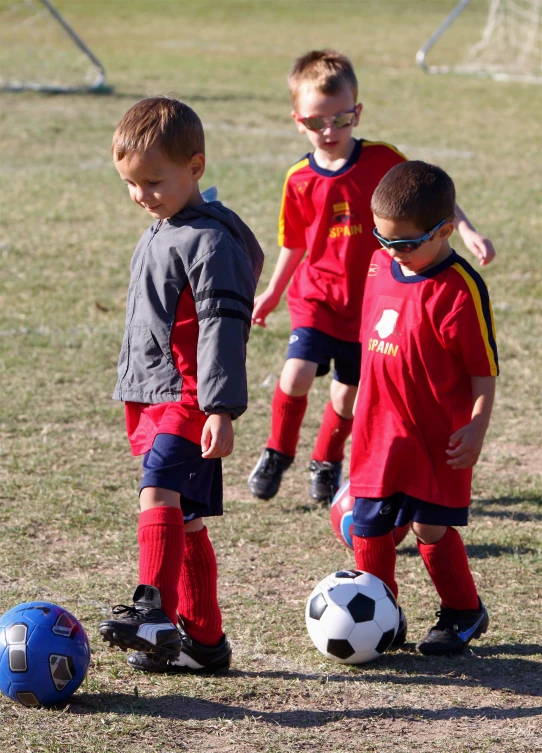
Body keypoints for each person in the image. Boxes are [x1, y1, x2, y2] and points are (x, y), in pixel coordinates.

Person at [248, 49, 496, 504]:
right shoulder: (298, 179)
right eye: (316, 122)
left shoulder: (383, 160)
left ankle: (326, 461)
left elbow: (431, 195)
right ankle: (278, 451)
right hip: (318, 298)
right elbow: (294, 244)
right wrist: (271, 294)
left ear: (356, 113)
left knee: (347, 399)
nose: (329, 131)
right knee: (296, 375)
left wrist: (468, 230)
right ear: (297, 120)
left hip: (373, 307)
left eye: (341, 119)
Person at [98, 97, 264, 673]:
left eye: (152, 180)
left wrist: (219, 408)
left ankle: (153, 609)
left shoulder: (211, 241)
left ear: (195, 167)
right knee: (186, 518)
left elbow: (222, 326)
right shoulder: (165, 226)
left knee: (157, 493)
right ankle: (205, 641)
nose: (141, 194)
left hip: (190, 399)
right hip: (153, 394)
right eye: (130, 183)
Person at [350, 160, 498, 654]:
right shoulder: (379, 265)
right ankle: (381, 615)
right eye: (383, 239)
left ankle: (464, 610)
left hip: (435, 435)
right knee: (368, 522)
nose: (394, 253)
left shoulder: (460, 289)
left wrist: (477, 427)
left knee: (429, 526)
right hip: (376, 426)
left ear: (446, 230)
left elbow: (483, 370)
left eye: (407, 244)